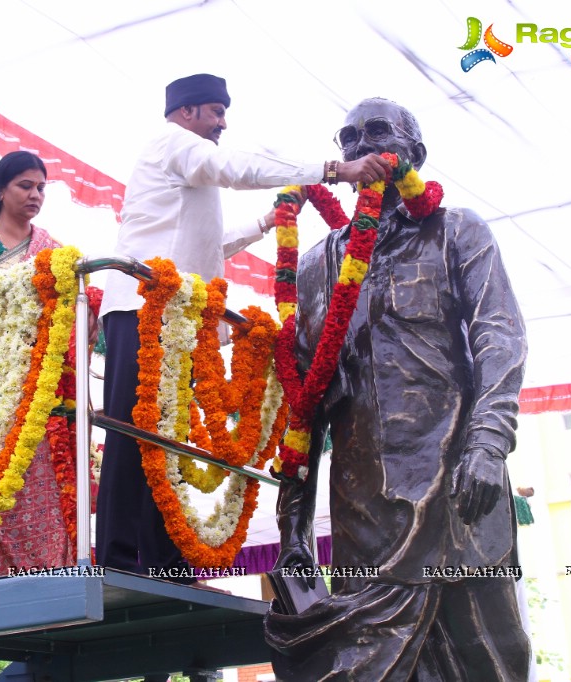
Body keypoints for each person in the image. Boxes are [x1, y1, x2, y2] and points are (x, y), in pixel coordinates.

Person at [265, 98, 531, 680]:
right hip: (366, 506)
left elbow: (500, 337)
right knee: (368, 666)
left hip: (461, 485)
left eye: (378, 132)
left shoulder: (457, 230)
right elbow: (302, 402)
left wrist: (488, 443)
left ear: (417, 153)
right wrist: (293, 528)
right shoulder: (316, 266)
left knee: (491, 654)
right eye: (349, 137)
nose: (361, 145)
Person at [96, 73, 390, 582]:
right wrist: (334, 170)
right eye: (215, 111)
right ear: (187, 112)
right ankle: (117, 560)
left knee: (168, 439)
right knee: (132, 429)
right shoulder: (174, 143)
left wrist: (260, 226)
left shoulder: (185, 157)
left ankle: (161, 561)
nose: (223, 123)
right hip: (140, 308)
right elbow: (235, 168)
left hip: (176, 315)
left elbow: (201, 247)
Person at [0, 151, 72, 577]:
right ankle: (6, 590)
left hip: (41, 386)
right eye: (25, 185)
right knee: (1, 490)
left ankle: (53, 584)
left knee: (51, 488)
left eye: (41, 187)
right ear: (0, 189)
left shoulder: (52, 248)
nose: (35, 194)